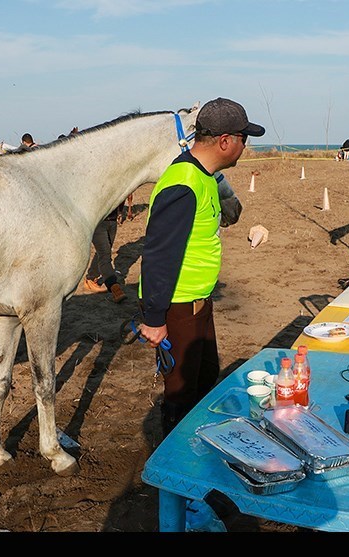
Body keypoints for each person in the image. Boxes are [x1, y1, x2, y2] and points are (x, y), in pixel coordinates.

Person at [138, 97, 265, 437]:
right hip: (177, 308)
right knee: (180, 399)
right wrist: (153, 319)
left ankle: (198, 457)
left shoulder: (206, 177)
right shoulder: (184, 183)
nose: (245, 146)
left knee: (206, 383)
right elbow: (159, 253)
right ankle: (173, 474)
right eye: (244, 139)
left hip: (198, 303)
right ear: (226, 142)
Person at [84, 201, 127, 304]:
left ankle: (91, 278)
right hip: (98, 222)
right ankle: (114, 288)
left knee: (103, 252)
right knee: (105, 255)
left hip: (112, 221)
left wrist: (119, 212)